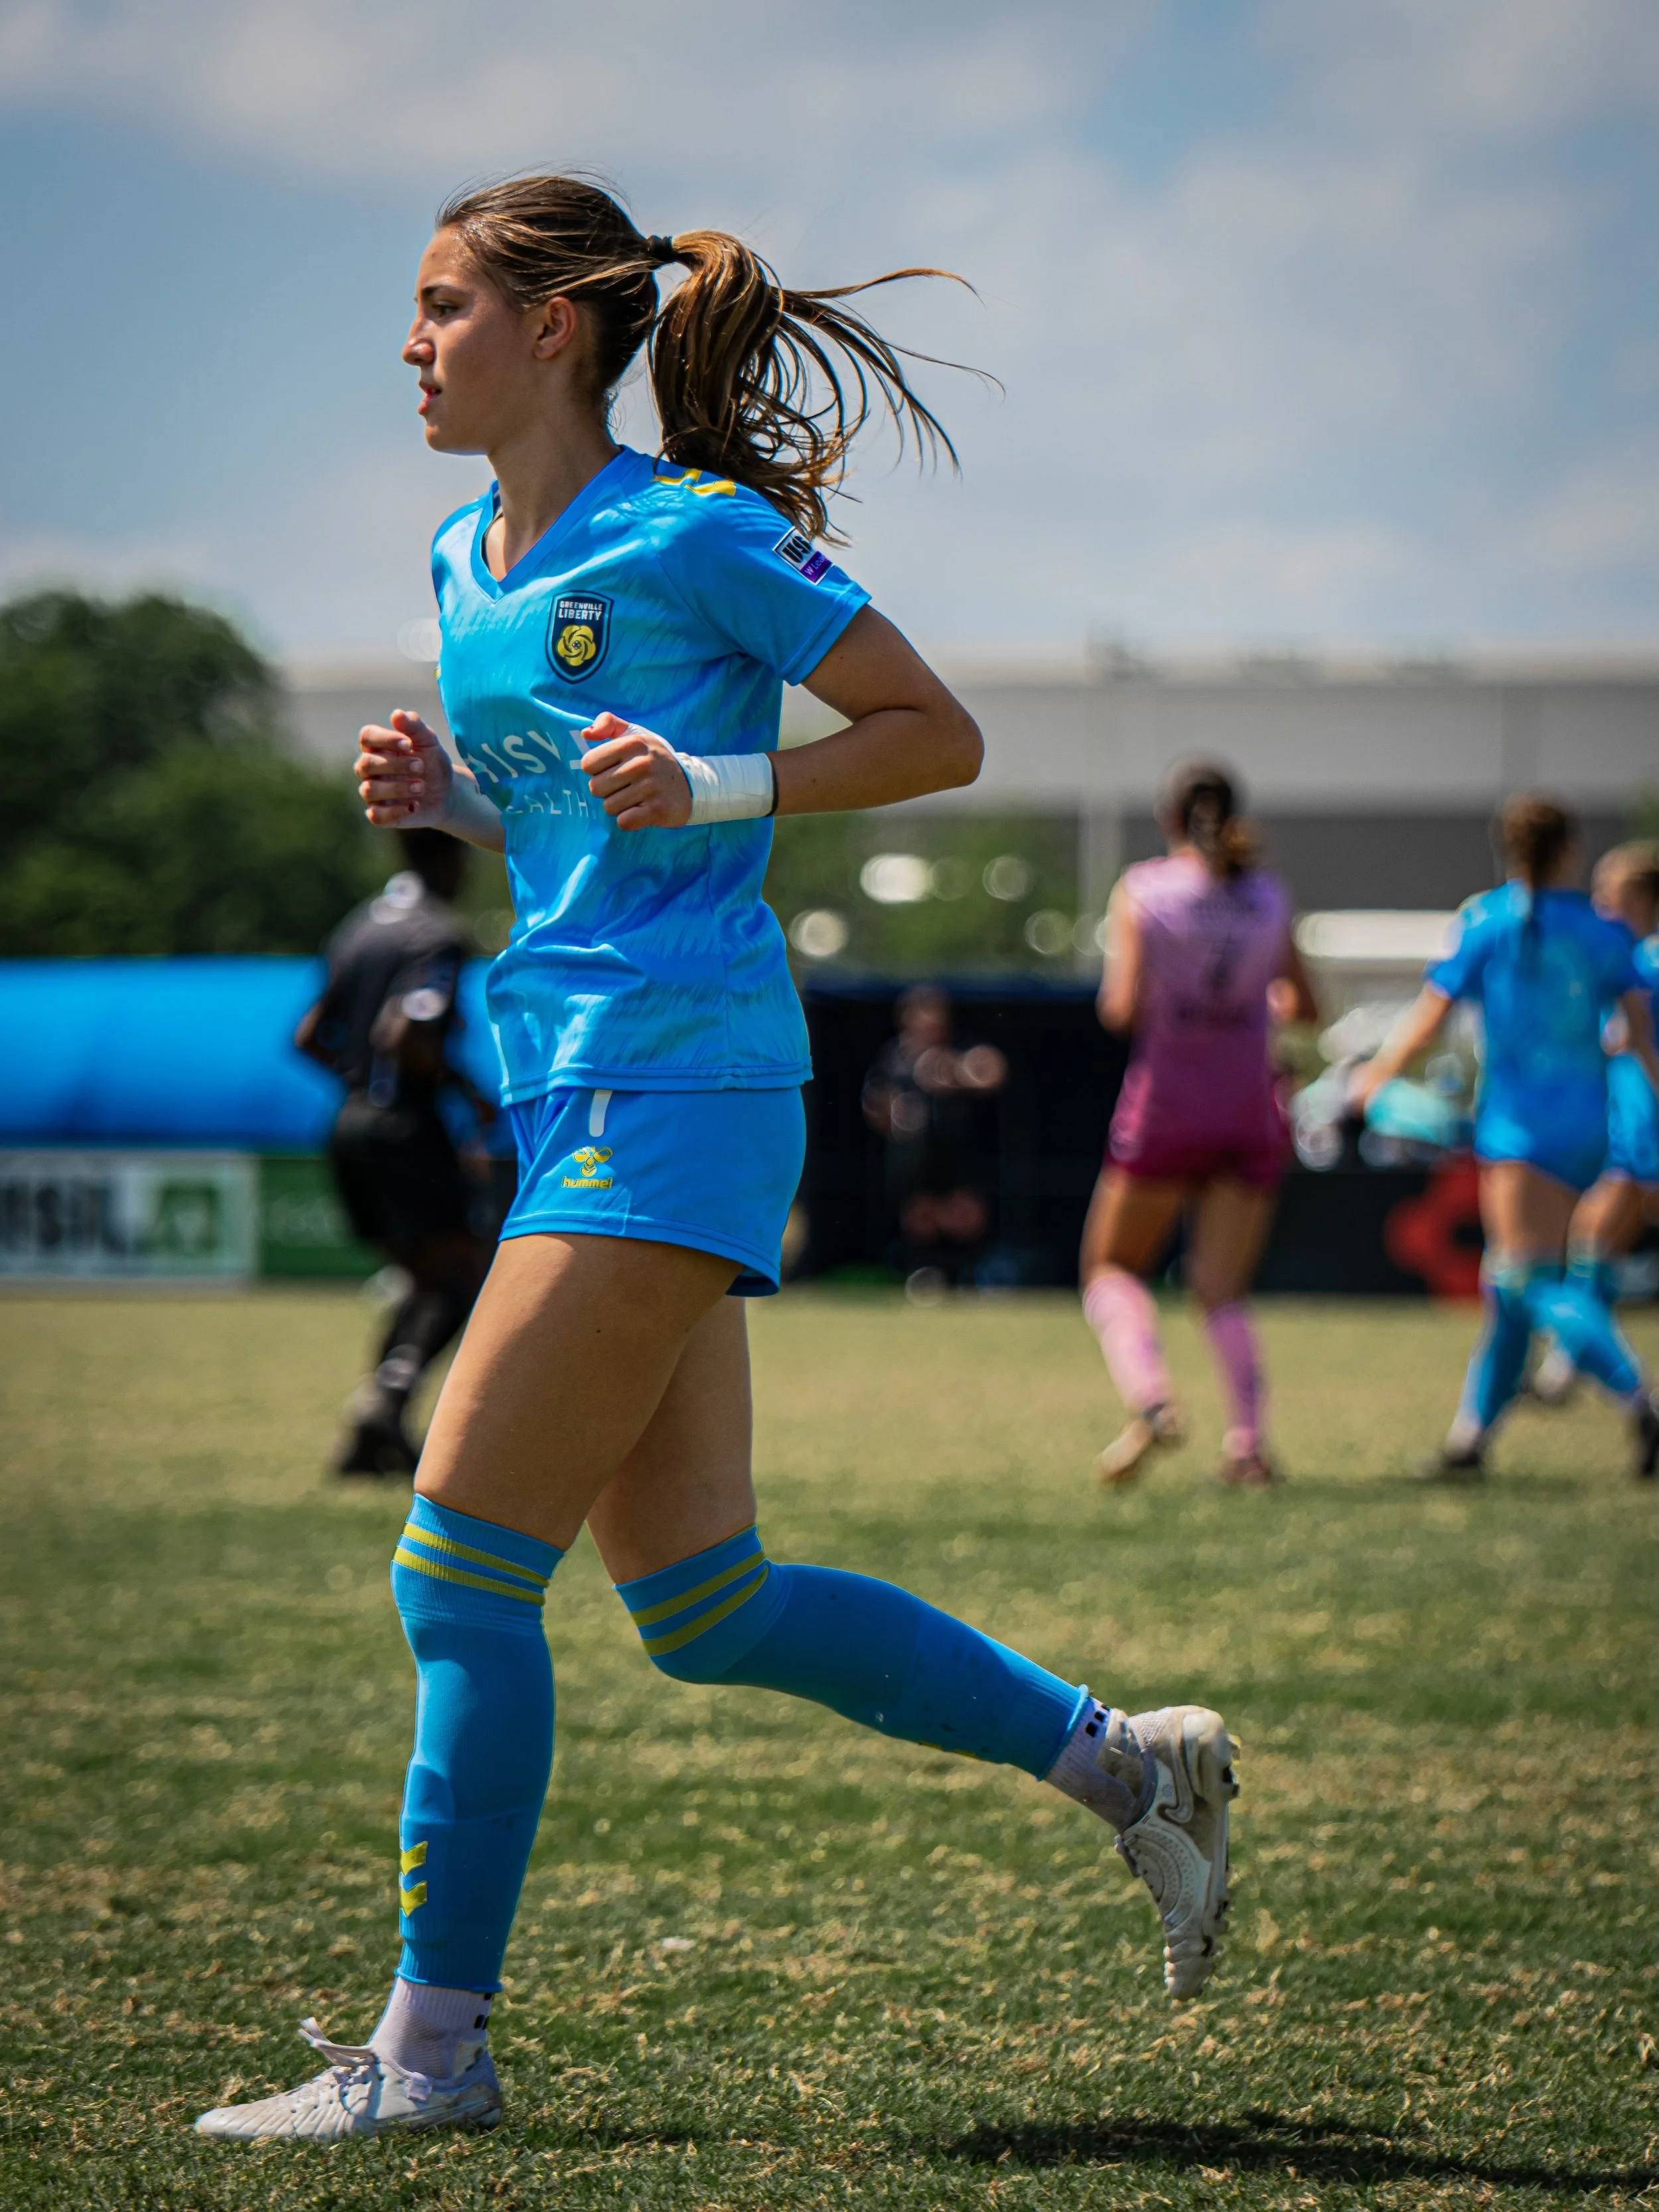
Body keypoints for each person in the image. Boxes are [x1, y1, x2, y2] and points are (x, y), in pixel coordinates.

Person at [195, 176, 1239, 2146]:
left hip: (681, 1088)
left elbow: (931, 733)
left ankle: (427, 2057)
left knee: (453, 1576)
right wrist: (457, 807)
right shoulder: (456, 555)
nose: (409, 346)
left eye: (439, 308)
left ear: (557, 329)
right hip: (571, 1088)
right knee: (705, 1603)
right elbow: (582, 828)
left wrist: (726, 776)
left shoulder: (695, 535)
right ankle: (1127, 1767)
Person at [1353, 796, 1659, 1482]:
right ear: (1569, 850)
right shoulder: (1601, 932)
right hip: (1591, 1124)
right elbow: (1639, 1038)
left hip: (1520, 1130)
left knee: (1525, 1279)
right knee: (1510, 1285)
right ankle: (1469, 1442)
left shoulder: (1489, 921)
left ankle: (1637, 1395)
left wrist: (1375, 1079)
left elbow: (1430, 1015)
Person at [1080, 760, 1318, 1490]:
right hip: (1247, 1110)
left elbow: (1119, 1010)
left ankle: (1151, 1399)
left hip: (1166, 1109)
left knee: (1110, 1271)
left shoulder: (1144, 892)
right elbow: (1306, 1006)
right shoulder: (1267, 895)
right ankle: (1247, 1446)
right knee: (1222, 1291)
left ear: (1168, 819)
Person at [295, 830, 496, 1477]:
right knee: (460, 1275)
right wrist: (466, 1093)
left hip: (350, 1124)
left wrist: (360, 1085)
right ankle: (385, 1404)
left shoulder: (358, 928)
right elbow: (405, 1033)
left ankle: (372, 1429)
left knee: (421, 1280)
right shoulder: (433, 933)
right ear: (451, 855)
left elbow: (307, 1036)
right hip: (404, 1126)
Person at [1518, 843, 1659, 1410]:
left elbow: (1632, 1040)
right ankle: (1565, 1368)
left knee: (1589, 1243)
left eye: (1612, 893)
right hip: (1629, 1129)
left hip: (1644, 1133)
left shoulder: (1643, 962)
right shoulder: (1628, 959)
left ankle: (1590, 1374)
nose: (1601, 904)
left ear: (1644, 899)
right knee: (1594, 1248)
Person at [861, 983, 1007, 1291]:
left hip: (960, 1156)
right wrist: (893, 1112)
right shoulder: (895, 1057)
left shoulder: (960, 1047)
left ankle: (968, 1277)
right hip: (914, 1160)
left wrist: (953, 1072)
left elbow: (993, 1069)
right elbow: (874, 1103)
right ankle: (924, 1274)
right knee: (920, 1217)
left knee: (964, 1215)